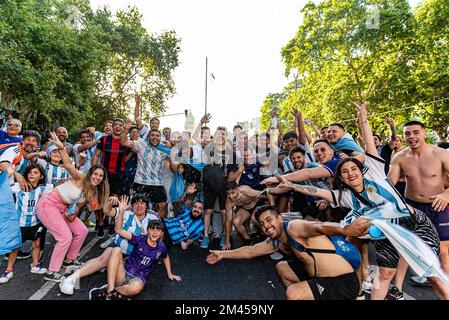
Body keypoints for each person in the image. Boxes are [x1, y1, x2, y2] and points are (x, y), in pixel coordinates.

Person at [206, 205, 369, 300]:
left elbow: (319, 226)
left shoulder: (294, 227)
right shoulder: (277, 239)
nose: (266, 226)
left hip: (343, 283)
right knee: (282, 267)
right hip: (319, 277)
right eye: (262, 224)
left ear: (280, 218)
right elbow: (250, 251)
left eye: (269, 220)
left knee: (293, 293)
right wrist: (223, 254)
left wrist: (346, 229)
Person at [36, 132, 109, 282]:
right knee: (65, 237)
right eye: (95, 174)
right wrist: (61, 148)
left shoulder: (92, 190)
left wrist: (73, 214)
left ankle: (69, 260)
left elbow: (80, 205)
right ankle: (52, 272)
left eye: (100, 176)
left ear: (103, 179)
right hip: (48, 204)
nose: (97, 177)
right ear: (90, 173)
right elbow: (69, 165)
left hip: (63, 209)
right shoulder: (81, 177)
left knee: (82, 230)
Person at [59, 193, 158, 295]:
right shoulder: (126, 211)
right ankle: (71, 278)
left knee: (133, 281)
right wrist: (110, 201)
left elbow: (158, 238)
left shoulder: (153, 217)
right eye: (136, 204)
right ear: (131, 206)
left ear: (147, 205)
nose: (139, 206)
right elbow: (107, 211)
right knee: (104, 258)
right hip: (120, 248)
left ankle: (112, 289)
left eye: (142, 203)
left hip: (137, 256)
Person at [389, 120, 449, 283]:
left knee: (443, 251)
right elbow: (389, 183)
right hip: (412, 206)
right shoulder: (399, 156)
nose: (411, 136)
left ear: (424, 133)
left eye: (416, 132)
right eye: (407, 133)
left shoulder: (441, 153)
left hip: (438, 206)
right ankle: (397, 289)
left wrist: (446, 195)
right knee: (407, 248)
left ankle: (446, 288)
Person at [88, 196, 181, 300]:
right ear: (147, 231)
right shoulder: (140, 238)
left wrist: (170, 273)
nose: (155, 232)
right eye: (152, 230)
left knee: (136, 288)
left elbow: (165, 257)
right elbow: (119, 230)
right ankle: (110, 289)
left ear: (161, 234)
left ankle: (113, 291)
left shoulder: (161, 247)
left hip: (138, 278)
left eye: (158, 230)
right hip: (123, 272)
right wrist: (122, 212)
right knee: (116, 250)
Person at [0, 164, 50, 284]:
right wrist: (9, 174)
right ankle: (8, 270)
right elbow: (4, 186)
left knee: (37, 244)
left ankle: (35, 265)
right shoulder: (18, 187)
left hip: (35, 223)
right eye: (30, 172)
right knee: (15, 248)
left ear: (41, 176)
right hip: (19, 224)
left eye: (35, 172)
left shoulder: (43, 189)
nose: (32, 174)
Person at [120, 127, 171, 218]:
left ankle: (159, 228)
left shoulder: (164, 149)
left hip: (158, 182)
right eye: (152, 135)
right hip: (141, 182)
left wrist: (172, 147)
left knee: (162, 206)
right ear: (148, 137)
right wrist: (126, 130)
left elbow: (177, 159)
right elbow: (124, 142)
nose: (155, 137)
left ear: (160, 138)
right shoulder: (141, 144)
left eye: (157, 136)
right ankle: (139, 229)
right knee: (139, 206)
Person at [92, 118, 131, 237]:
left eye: (121, 125)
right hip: (104, 173)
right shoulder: (104, 139)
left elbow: (131, 153)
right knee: (100, 198)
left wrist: (123, 163)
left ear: (123, 128)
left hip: (119, 174)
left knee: (114, 199)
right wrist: (94, 171)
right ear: (113, 127)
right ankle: (100, 222)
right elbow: (97, 155)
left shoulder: (125, 141)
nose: (118, 127)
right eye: (116, 125)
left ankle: (112, 223)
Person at [225, 181, 267, 246]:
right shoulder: (229, 201)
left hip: (257, 204)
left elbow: (265, 194)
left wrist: (271, 205)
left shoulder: (245, 191)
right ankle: (248, 239)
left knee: (254, 219)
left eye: (232, 193)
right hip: (245, 209)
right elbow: (228, 221)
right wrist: (227, 241)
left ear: (237, 189)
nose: (230, 196)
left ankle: (263, 235)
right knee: (236, 222)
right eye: (228, 193)